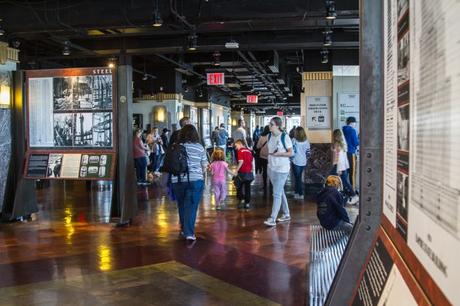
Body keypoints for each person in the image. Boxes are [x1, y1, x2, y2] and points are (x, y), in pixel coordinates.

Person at [171, 125, 208, 241]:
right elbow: (204, 166)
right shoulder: (199, 147)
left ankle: (183, 229)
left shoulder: (175, 147)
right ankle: (189, 233)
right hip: (195, 180)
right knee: (191, 206)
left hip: (177, 180)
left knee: (181, 205)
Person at [264, 117, 293, 226]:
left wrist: (279, 154)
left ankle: (272, 219)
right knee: (280, 191)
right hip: (271, 167)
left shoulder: (285, 137)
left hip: (282, 169)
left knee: (276, 193)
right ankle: (286, 214)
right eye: (269, 124)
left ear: (277, 125)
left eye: (271, 124)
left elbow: (291, 153)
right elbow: (269, 150)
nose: (269, 126)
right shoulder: (269, 136)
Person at [331, 129, 359, 205]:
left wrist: (338, 169)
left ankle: (353, 195)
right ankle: (344, 196)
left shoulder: (337, 145)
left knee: (340, 181)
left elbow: (338, 158)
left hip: (339, 166)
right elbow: (343, 157)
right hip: (343, 166)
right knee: (343, 182)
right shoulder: (342, 144)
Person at [234, 139, 254, 209]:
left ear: (240, 144)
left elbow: (241, 162)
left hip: (242, 172)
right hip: (249, 172)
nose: (236, 148)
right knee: (247, 188)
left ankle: (241, 199)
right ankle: (247, 203)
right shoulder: (249, 151)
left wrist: (236, 170)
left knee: (238, 186)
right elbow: (251, 161)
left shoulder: (240, 151)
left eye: (236, 146)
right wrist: (252, 170)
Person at [291, 126, 311, 200]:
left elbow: (291, 151)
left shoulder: (293, 140)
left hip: (295, 161)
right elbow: (308, 153)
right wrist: (305, 158)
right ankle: (297, 192)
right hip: (303, 161)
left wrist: (291, 159)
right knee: (298, 177)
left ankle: (300, 193)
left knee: (297, 178)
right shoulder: (306, 141)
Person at [342, 116, 359, 192]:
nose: (355, 124)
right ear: (352, 123)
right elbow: (355, 143)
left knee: (346, 172)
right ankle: (353, 190)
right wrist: (359, 138)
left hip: (344, 153)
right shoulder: (352, 131)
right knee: (352, 173)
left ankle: (346, 189)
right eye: (355, 123)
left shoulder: (343, 130)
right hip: (351, 153)